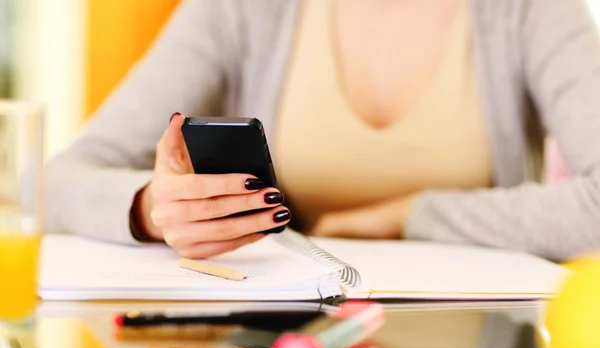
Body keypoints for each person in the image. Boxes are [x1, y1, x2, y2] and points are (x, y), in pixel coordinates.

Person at [45, 0, 600, 262]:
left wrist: (409, 217)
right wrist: (150, 207)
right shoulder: (242, 10)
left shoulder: (533, 11)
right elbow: (56, 184)